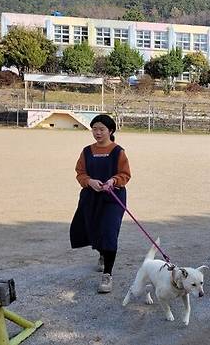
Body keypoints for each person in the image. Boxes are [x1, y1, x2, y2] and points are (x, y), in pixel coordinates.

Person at [70, 114, 131, 293]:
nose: (97, 132)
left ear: (110, 131)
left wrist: (113, 180)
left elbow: (125, 174)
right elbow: (80, 172)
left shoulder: (118, 151)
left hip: (113, 197)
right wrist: (89, 181)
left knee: (109, 231)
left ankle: (107, 274)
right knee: (94, 229)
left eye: (101, 129)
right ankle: (102, 254)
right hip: (91, 197)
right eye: (94, 129)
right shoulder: (87, 151)